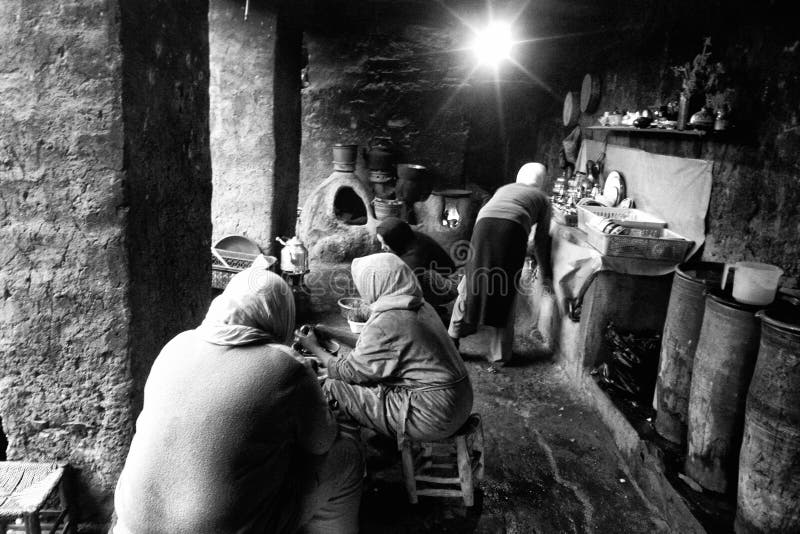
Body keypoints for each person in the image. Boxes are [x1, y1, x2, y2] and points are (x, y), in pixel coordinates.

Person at [112, 267, 363, 534]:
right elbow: (320, 443)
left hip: (129, 525)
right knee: (347, 457)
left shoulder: (177, 344)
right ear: (281, 313)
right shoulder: (286, 365)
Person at [296, 253, 473, 448]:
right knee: (375, 380)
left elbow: (348, 372)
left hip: (433, 416)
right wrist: (330, 332)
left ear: (375, 284)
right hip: (459, 401)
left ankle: (350, 453)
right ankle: (388, 426)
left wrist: (312, 347)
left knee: (332, 386)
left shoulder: (388, 322)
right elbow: (378, 349)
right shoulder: (418, 305)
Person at [448, 162, 554, 366]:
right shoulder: (543, 199)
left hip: (482, 228)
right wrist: (545, 270)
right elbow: (541, 241)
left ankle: (452, 337)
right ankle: (499, 355)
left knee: (472, 283)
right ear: (542, 182)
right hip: (511, 231)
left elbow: (490, 215)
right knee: (505, 291)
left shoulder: (504, 189)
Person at [376, 217, 459, 322]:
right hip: (438, 278)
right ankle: (430, 306)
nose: (382, 247)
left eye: (385, 243)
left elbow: (400, 284)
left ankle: (427, 311)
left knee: (418, 278)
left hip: (450, 285)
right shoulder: (406, 238)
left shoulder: (416, 254)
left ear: (394, 239)